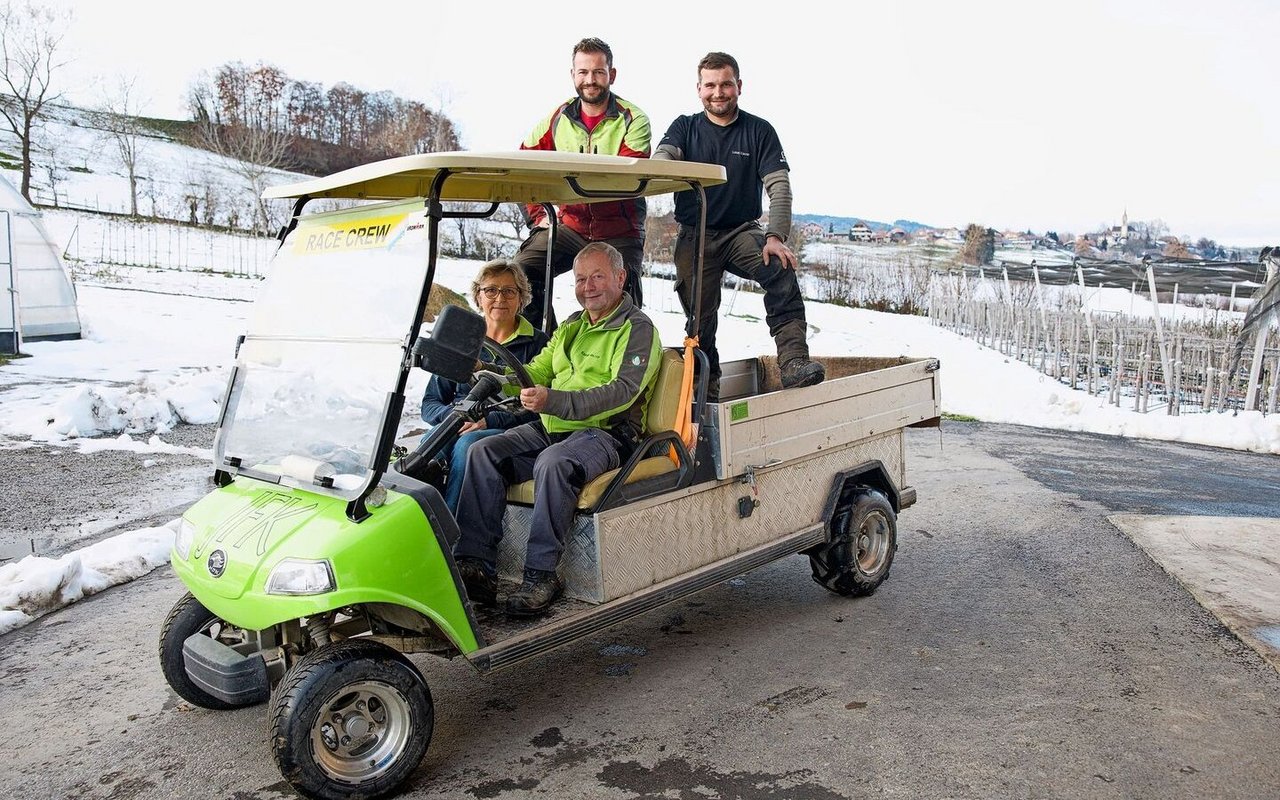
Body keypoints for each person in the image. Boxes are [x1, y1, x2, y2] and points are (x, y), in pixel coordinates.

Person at [452, 242, 661, 617]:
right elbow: (537, 371)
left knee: (553, 461)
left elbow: (623, 392)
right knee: (483, 451)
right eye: (581, 279)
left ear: (620, 277)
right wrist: (495, 377)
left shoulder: (637, 329)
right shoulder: (571, 326)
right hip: (556, 426)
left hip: (607, 434)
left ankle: (540, 575)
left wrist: (555, 401)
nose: (588, 286)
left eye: (598, 276)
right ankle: (476, 566)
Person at [653, 51, 825, 401]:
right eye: (711, 85)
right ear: (699, 89)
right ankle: (708, 384)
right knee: (699, 320)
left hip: (740, 232)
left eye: (726, 84)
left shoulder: (759, 131)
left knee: (779, 267)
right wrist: (666, 165)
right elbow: (661, 160)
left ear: (739, 86)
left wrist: (775, 236)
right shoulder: (684, 127)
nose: (719, 92)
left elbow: (779, 186)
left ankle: (792, 362)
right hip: (695, 234)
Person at [515, 37, 651, 330]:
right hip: (571, 227)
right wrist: (539, 215)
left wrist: (568, 183)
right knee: (521, 271)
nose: (591, 80)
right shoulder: (557, 118)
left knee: (621, 291)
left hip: (619, 230)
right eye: (583, 72)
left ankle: (619, 362)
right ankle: (544, 347)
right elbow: (522, 165)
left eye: (598, 72)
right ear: (573, 75)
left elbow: (623, 183)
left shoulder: (634, 120)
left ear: (611, 75)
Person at [419, 259, 549, 513]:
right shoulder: (462, 341)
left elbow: (539, 410)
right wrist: (455, 418)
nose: (499, 298)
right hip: (458, 424)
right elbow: (430, 403)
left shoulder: (539, 345)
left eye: (509, 291)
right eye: (490, 290)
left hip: (506, 431)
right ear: (478, 297)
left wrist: (490, 421)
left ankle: (453, 534)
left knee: (469, 446)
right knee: (431, 443)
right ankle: (415, 525)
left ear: (521, 298)